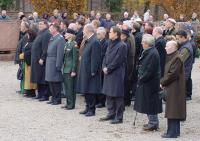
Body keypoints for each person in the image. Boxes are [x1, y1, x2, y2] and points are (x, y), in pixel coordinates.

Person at [134, 34, 162, 131]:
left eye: (143, 42)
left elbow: (150, 70)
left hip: (150, 82)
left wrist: (141, 78)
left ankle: (153, 123)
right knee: (147, 102)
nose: (141, 43)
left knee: (151, 103)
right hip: (147, 81)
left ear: (147, 44)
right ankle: (152, 122)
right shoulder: (148, 51)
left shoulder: (153, 53)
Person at [100, 26, 127, 124]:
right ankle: (111, 113)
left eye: (111, 32)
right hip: (108, 72)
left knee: (117, 95)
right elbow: (105, 57)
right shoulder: (109, 43)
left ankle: (119, 117)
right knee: (109, 94)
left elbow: (118, 60)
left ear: (116, 33)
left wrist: (109, 68)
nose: (109, 33)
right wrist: (103, 66)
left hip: (116, 74)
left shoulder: (122, 45)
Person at [160, 41, 186, 138]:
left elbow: (172, 74)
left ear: (173, 47)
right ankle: (173, 131)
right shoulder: (174, 56)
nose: (165, 48)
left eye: (167, 46)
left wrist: (162, 82)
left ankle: (172, 132)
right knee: (172, 109)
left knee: (173, 110)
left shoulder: (177, 58)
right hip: (172, 86)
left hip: (175, 87)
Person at [77, 24, 101, 117]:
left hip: (90, 71)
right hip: (85, 69)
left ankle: (92, 109)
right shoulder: (89, 40)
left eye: (84, 30)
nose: (83, 31)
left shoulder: (94, 41)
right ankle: (87, 107)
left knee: (91, 90)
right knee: (86, 89)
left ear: (88, 31)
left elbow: (95, 58)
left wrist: (93, 70)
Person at [31, 20, 52, 101]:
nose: (39, 25)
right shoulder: (40, 33)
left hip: (41, 60)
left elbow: (45, 48)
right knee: (38, 78)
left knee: (43, 78)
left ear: (46, 25)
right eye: (39, 24)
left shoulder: (46, 34)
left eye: (41, 24)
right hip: (36, 60)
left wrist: (42, 58)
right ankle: (40, 94)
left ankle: (45, 95)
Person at [45, 23, 65, 105]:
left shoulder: (60, 38)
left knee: (56, 81)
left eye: (51, 28)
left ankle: (57, 99)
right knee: (51, 81)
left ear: (55, 29)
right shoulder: (53, 37)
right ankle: (53, 97)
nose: (49, 29)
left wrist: (58, 65)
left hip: (55, 62)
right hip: (50, 61)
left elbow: (60, 53)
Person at [61, 28, 78, 110]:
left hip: (70, 69)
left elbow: (75, 58)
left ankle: (71, 105)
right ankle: (68, 103)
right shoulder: (67, 43)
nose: (65, 35)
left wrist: (74, 70)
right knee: (67, 87)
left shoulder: (74, 44)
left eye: (66, 34)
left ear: (70, 34)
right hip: (65, 68)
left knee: (70, 87)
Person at [19, 29, 37, 97]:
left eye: (28, 35)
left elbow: (28, 53)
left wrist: (22, 56)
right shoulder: (29, 42)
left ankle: (31, 92)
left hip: (29, 63)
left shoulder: (31, 43)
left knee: (30, 78)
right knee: (27, 78)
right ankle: (29, 92)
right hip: (27, 62)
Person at [176, 30, 193, 100]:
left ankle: (186, 96)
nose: (177, 40)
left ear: (183, 37)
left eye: (178, 38)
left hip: (184, 70)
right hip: (184, 69)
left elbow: (179, 60)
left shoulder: (186, 48)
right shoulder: (184, 45)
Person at [96, 27, 109, 108]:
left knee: (102, 84)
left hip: (102, 65)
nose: (97, 35)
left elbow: (104, 55)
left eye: (99, 34)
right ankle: (97, 100)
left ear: (103, 34)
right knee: (98, 83)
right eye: (97, 33)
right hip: (97, 65)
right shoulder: (97, 41)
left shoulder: (106, 43)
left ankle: (102, 101)